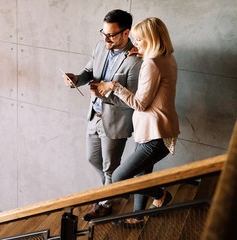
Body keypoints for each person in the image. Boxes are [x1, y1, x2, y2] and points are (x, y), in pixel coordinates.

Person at [93, 17, 180, 226]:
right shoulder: (166, 57)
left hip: (155, 132)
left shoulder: (151, 64)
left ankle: (160, 195)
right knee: (142, 173)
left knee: (120, 176)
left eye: (139, 40)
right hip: (152, 130)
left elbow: (140, 104)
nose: (135, 44)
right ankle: (138, 216)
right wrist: (143, 55)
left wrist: (114, 85)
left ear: (151, 39)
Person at [62, 9, 142, 221]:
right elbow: (90, 73)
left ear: (126, 33)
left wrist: (102, 94)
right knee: (92, 158)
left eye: (111, 35)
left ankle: (105, 204)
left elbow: (131, 99)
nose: (105, 38)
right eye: (104, 33)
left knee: (110, 168)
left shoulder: (136, 60)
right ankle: (114, 191)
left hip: (116, 121)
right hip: (94, 116)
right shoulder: (100, 47)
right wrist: (76, 79)